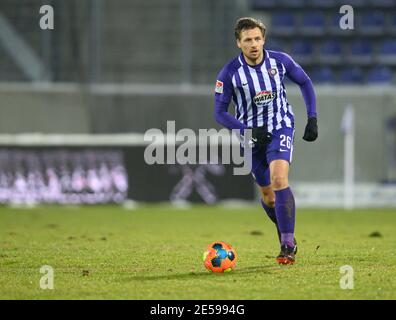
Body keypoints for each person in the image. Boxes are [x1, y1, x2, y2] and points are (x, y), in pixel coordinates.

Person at [214, 17, 318, 265]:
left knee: (279, 178)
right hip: (251, 137)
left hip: (280, 126)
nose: (254, 44)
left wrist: (312, 118)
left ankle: (287, 243)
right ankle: (283, 229)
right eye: (247, 40)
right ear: (239, 43)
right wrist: (247, 129)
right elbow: (219, 113)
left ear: (264, 39)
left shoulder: (280, 61)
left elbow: (305, 82)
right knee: (269, 196)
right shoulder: (230, 73)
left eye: (257, 39)